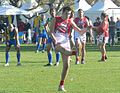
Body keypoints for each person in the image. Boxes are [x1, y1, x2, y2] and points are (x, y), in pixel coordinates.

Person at [49, 6, 89, 91]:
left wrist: (87, 28)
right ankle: (75, 53)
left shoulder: (70, 21)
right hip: (57, 41)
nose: (68, 15)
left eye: (69, 13)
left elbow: (80, 31)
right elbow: (51, 32)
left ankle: (61, 85)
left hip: (66, 41)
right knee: (64, 50)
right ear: (62, 12)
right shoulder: (55, 19)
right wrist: (55, 40)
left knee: (66, 66)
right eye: (66, 13)